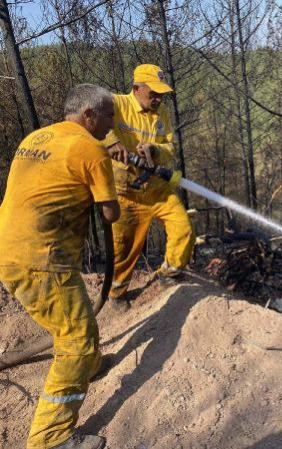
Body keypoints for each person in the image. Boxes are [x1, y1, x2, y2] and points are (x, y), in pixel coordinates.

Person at [0, 84, 120, 449]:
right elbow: (111, 212)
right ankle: (50, 438)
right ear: (89, 115)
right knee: (75, 340)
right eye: (108, 116)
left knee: (75, 313)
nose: (111, 123)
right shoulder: (91, 148)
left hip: (10, 248)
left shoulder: (37, 137)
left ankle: (90, 364)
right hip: (42, 259)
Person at [104, 64, 195, 309]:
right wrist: (111, 142)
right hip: (126, 194)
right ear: (136, 88)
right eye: (153, 93)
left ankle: (169, 274)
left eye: (161, 94)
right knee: (124, 248)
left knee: (183, 228)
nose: (158, 98)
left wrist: (155, 151)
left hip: (157, 190)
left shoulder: (161, 113)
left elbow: (170, 147)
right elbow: (88, 119)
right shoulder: (115, 104)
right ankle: (117, 292)